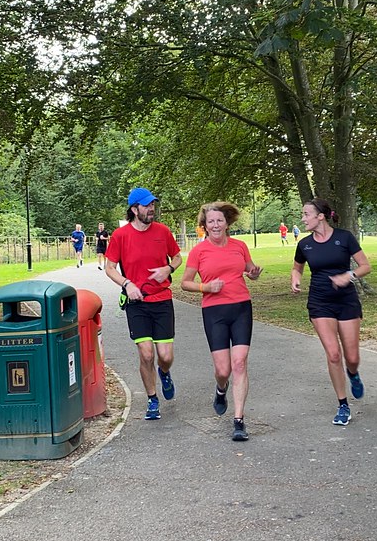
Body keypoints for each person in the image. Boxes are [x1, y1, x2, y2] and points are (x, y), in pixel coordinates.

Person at [181, 202, 262, 442]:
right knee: (223, 370)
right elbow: (185, 283)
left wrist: (254, 273)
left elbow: (250, 270)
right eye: (210, 222)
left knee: (239, 364)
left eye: (219, 221)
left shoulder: (240, 246)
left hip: (241, 308)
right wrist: (206, 286)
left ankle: (238, 420)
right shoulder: (199, 251)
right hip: (214, 311)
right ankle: (220, 389)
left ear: (227, 223)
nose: (215, 225)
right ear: (204, 226)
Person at [291, 198, 371, 427]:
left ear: (320, 216)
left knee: (352, 357)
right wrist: (295, 279)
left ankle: (353, 374)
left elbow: (365, 266)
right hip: (319, 302)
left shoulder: (344, 238)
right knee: (333, 354)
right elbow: (297, 267)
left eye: (306, 214)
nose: (303, 218)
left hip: (346, 301)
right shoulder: (304, 244)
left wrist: (349, 276)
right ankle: (343, 405)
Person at [105, 188, 182, 421]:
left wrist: (168, 269)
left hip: (162, 300)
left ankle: (165, 372)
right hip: (136, 303)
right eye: (147, 205)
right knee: (146, 354)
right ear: (134, 209)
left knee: (165, 356)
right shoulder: (121, 236)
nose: (151, 209)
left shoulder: (163, 231)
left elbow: (178, 257)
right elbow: (109, 268)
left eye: (153, 205)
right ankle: (152, 399)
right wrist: (127, 283)